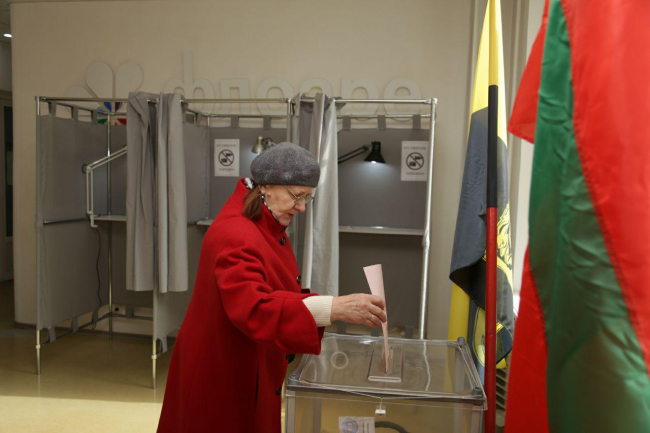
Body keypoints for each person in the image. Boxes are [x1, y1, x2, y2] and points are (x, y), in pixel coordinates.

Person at [157, 142, 387, 433]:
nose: (302, 207)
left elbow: (272, 288)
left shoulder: (263, 222)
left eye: (308, 198)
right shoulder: (237, 234)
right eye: (297, 196)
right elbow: (254, 307)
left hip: (243, 361)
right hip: (220, 370)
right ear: (265, 186)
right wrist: (334, 308)